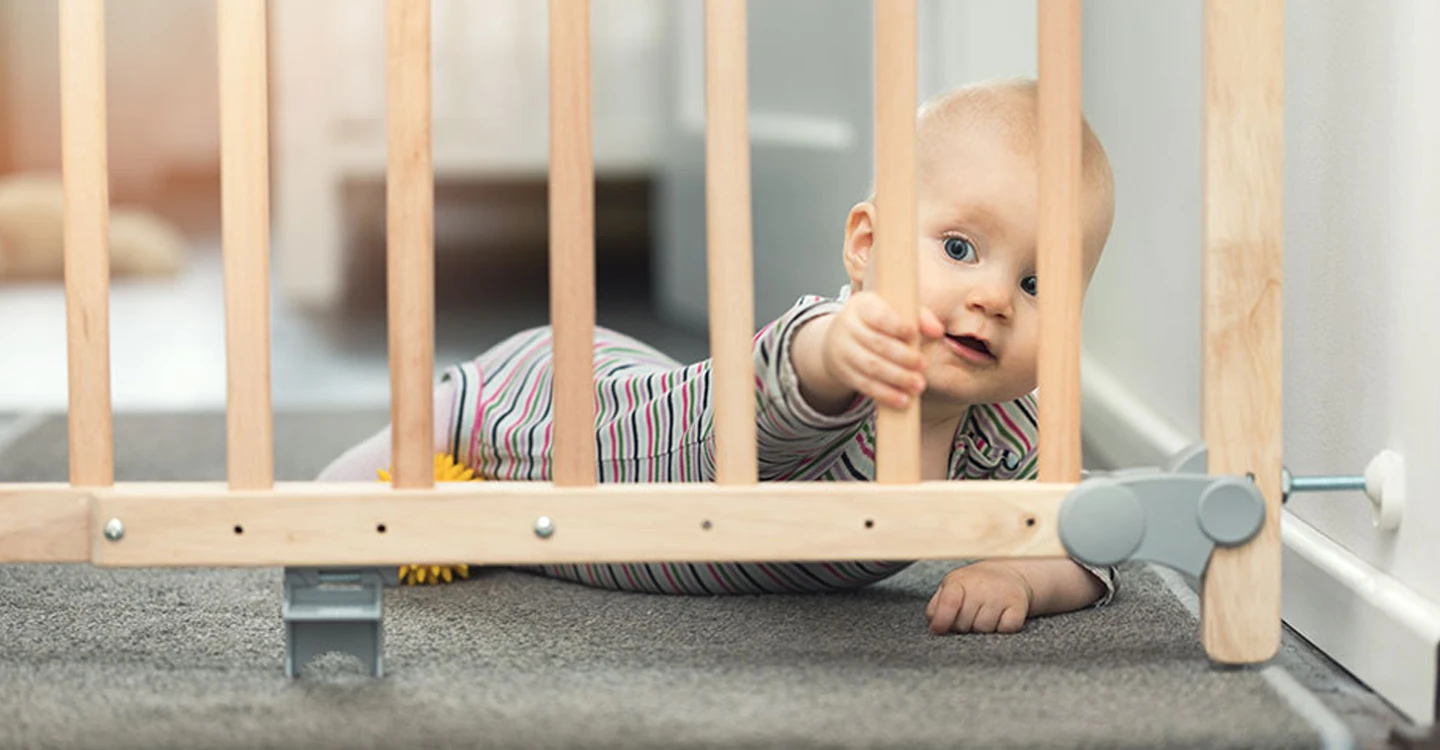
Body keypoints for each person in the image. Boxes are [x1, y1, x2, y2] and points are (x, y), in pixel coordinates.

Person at [318, 76, 1118, 636]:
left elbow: (1091, 539)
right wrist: (839, 349)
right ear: (865, 247)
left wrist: (1020, 576)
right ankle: (305, 510)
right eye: (959, 248)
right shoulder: (835, 348)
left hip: (604, 517)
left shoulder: (1005, 434)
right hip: (563, 402)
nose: (994, 298)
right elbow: (780, 389)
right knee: (401, 462)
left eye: (1037, 282)